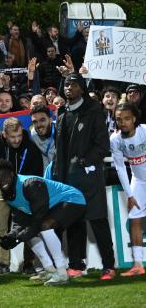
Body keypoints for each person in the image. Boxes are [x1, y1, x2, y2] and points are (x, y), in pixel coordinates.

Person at [52, 73, 116, 280]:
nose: (68, 88)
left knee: (98, 220)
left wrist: (85, 161)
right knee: (73, 223)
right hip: (68, 180)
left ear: (81, 88)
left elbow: (102, 145)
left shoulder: (94, 111)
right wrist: (57, 176)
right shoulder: (62, 115)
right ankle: (76, 265)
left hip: (90, 178)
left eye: (72, 84)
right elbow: (58, 151)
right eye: (66, 85)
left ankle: (108, 266)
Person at [0, 159, 86, 286]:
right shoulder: (8, 194)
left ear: (12, 174)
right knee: (29, 231)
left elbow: (38, 220)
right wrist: (11, 236)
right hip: (54, 205)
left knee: (44, 226)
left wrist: (18, 239)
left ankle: (62, 273)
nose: (2, 181)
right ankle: (50, 270)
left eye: (5, 176)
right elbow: (20, 220)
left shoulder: (31, 184)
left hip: (73, 199)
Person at [0, 117, 44, 274]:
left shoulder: (31, 148)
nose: (17, 140)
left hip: (23, 189)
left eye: (19, 136)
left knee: (28, 226)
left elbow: (36, 176)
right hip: (0, 187)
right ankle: (2, 263)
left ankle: (28, 264)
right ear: (4, 135)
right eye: (13, 137)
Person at [110, 102, 146, 276]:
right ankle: (138, 264)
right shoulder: (115, 140)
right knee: (134, 218)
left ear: (134, 118)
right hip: (139, 181)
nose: (122, 122)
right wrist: (130, 195)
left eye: (126, 118)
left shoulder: (145, 131)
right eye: (118, 119)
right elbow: (120, 168)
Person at [29, 105, 56, 169]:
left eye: (42, 120)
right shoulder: (33, 134)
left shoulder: (61, 130)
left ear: (50, 119)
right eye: (35, 122)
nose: (39, 125)